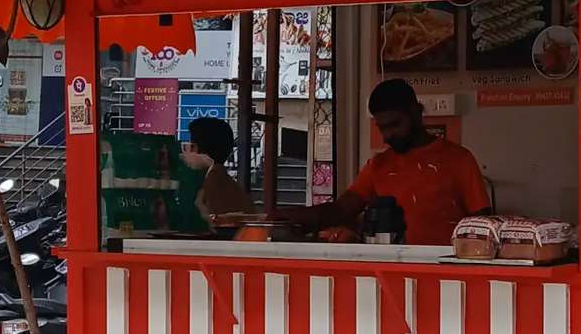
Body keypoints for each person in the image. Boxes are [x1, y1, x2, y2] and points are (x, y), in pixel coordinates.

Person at [283, 79, 490, 245]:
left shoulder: (459, 159)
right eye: (383, 128)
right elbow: (343, 209)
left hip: (447, 270)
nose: (388, 135)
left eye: (395, 124)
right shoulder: (377, 166)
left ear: (417, 113)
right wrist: (300, 217)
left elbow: (482, 225)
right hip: (389, 267)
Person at [183, 117, 257, 224]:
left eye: (189, 146)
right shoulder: (228, 184)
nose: (186, 153)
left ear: (197, 150)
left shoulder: (207, 184)